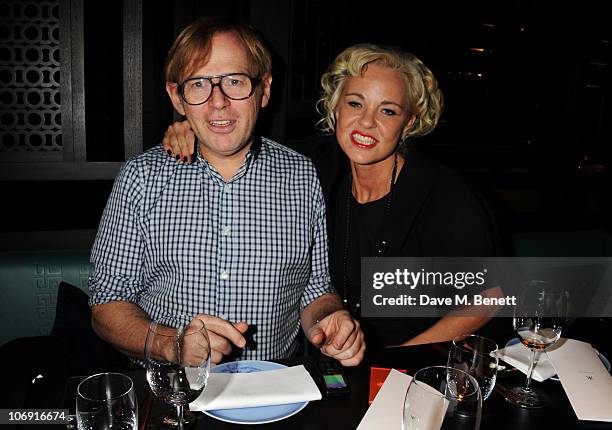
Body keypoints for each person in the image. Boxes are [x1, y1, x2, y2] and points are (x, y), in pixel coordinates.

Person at [163, 43, 502, 350]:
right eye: (355, 103)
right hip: (335, 371)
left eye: (388, 111)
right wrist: (193, 127)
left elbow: (491, 296)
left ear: (409, 123)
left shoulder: (445, 195)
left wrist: (404, 358)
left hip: (422, 368)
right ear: (335, 108)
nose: (366, 122)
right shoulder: (316, 171)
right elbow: (241, 143)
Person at [89, 17, 365, 367]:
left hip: (272, 389)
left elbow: (314, 289)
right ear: (178, 96)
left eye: (235, 81)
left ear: (264, 90)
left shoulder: (301, 174)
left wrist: (330, 321)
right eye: (199, 84)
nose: (218, 102)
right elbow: (106, 303)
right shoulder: (142, 177)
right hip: (171, 391)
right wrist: (171, 344)